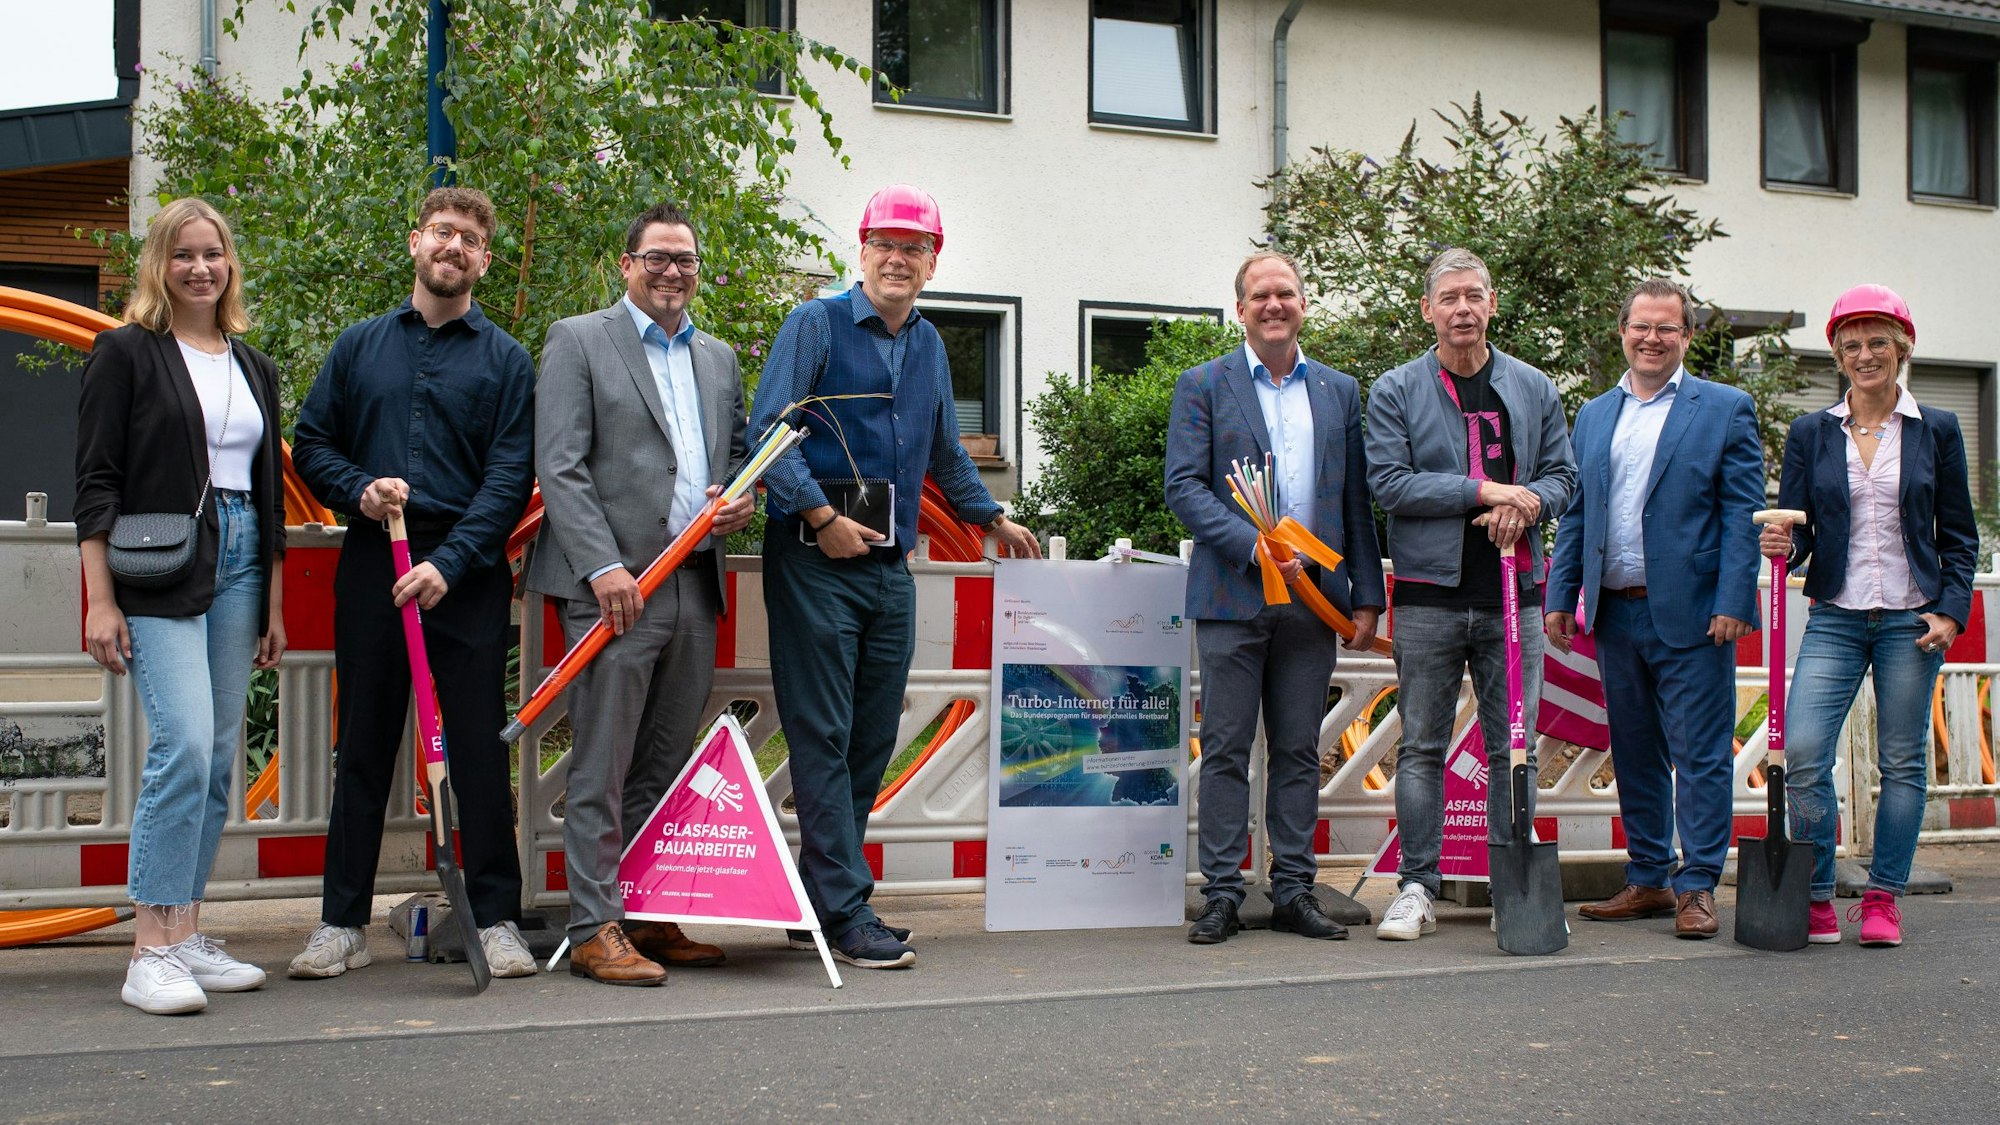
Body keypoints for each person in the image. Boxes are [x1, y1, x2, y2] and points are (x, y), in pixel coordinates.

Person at [746, 184, 1041, 969]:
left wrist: (989, 517)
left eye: (915, 247)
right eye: (886, 243)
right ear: (862, 248)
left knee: (872, 735)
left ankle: (820, 896)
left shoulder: (930, 344)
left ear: (933, 261)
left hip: (890, 565)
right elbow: (769, 430)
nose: (898, 258)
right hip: (815, 561)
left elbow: (946, 450)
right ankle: (846, 911)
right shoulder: (815, 325)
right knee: (823, 730)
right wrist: (818, 516)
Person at [289, 187, 538, 979]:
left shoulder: (506, 360)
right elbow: (311, 441)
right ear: (415, 243)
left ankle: (495, 918)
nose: (453, 246)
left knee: (474, 749)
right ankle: (341, 924)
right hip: (374, 559)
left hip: (462, 574)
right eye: (442, 232)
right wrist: (360, 489)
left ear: (483, 260)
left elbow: (509, 481)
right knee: (362, 744)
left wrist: (450, 562)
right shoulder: (360, 347)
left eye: (469, 238)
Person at [525, 203, 751, 985]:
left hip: (694, 579)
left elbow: (734, 455)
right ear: (626, 265)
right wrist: (601, 566)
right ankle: (593, 923)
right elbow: (560, 465)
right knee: (603, 764)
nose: (672, 272)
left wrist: (740, 502)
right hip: (614, 588)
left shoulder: (718, 358)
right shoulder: (578, 339)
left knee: (664, 761)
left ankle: (648, 911)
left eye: (685, 260)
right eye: (657, 257)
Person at [74, 198, 288, 1015]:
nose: (201, 267)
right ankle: (147, 948)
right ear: (159, 265)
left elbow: (266, 490)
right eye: (183, 255)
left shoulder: (251, 363)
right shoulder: (126, 352)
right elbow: (95, 482)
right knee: (185, 745)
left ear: (230, 265)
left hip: (239, 561)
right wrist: (100, 599)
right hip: (157, 567)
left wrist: (270, 597)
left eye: (214, 254)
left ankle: (187, 930)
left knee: (220, 755)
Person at [1164, 250, 1386, 944]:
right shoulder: (1202, 384)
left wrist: (1366, 596)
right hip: (1233, 592)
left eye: (1285, 293)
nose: (1274, 305)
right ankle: (1224, 893)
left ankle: (1292, 888)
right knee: (1227, 748)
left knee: (1297, 749)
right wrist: (1247, 542)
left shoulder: (1340, 391)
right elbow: (1184, 486)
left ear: (1303, 304)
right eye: (1260, 295)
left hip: (1313, 601)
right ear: (1240, 309)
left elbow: (1355, 499)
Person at [1363, 246, 1577, 941]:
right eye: (1448, 297)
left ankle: (1508, 882)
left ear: (1492, 304)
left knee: (1511, 744)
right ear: (1427, 309)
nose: (1462, 308)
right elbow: (1389, 483)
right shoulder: (1397, 389)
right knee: (1421, 746)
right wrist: (1485, 490)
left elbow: (1562, 477)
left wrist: (1529, 505)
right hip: (1428, 596)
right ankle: (1417, 886)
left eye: (1473, 295)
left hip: (1513, 592)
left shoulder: (1534, 386)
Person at [1760, 284, 1977, 948]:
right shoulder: (1811, 431)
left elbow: (1959, 536)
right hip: (1837, 613)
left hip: (1914, 618)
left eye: (1877, 341)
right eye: (1851, 344)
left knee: (1903, 762)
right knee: (1801, 752)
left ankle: (1883, 897)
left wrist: (1949, 612)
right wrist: (1781, 543)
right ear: (1838, 355)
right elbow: (1797, 528)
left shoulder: (1936, 428)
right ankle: (1818, 893)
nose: (1864, 355)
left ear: (1902, 348)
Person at [1546, 279, 1763, 939]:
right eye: (1641, 326)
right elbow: (1580, 511)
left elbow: (1741, 513)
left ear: (1687, 336)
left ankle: (1696, 886)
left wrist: (1734, 599)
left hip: (1696, 613)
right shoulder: (1595, 414)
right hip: (1614, 611)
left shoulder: (1724, 408)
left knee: (1698, 754)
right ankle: (1647, 877)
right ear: (1623, 331)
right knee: (1635, 749)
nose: (1652, 338)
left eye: (1667, 328)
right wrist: (1562, 593)